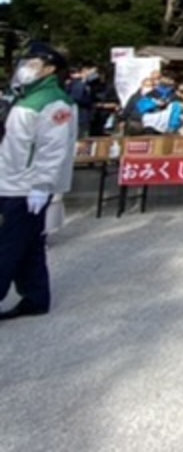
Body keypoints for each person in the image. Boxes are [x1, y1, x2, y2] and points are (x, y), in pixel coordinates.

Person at [0, 41, 77, 320]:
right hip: (11, 180)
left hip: (26, 186)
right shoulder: (25, 96)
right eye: (25, 64)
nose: (25, 70)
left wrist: (42, 186)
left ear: (50, 69)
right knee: (29, 244)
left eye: (32, 65)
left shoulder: (54, 102)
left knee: (7, 245)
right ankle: (35, 297)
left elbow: (53, 148)